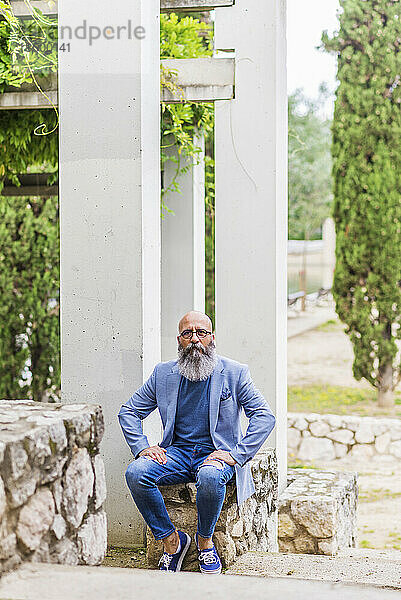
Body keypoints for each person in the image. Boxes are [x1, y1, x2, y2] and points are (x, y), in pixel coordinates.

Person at [118, 310, 276, 574]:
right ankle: (172, 541)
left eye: (201, 332)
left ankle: (205, 543)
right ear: (179, 340)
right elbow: (129, 411)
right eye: (187, 333)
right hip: (176, 454)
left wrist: (237, 454)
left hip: (216, 455)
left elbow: (264, 416)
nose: (194, 339)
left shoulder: (235, 373)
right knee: (136, 473)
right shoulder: (162, 374)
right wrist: (143, 447)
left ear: (212, 338)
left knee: (212, 477)